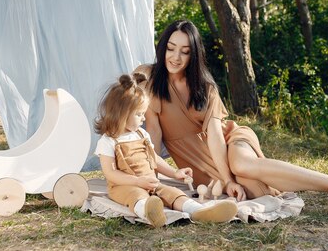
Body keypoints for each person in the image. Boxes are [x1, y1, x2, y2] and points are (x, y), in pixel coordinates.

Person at [135, 19, 328, 220]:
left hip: (230, 142)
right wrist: (145, 174)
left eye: (184, 51)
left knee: (241, 165)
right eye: (170, 48)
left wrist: (227, 179)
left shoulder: (205, 88)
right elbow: (153, 138)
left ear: (194, 55)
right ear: (163, 46)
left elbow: (216, 135)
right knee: (258, 191)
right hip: (200, 165)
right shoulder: (151, 79)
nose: (175, 57)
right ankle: (273, 178)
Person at [94, 73, 239, 227]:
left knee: (173, 192)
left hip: (150, 182)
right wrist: (137, 181)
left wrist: (174, 173)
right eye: (139, 114)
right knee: (136, 196)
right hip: (124, 186)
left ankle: (199, 211)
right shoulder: (108, 141)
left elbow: (155, 159)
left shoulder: (141, 134)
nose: (143, 118)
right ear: (121, 114)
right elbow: (111, 173)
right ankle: (149, 213)